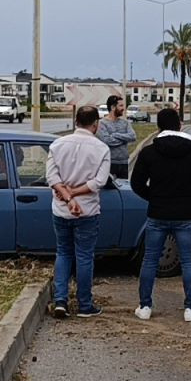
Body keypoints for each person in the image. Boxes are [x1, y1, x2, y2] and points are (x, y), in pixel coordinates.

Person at [130, 107, 191, 322]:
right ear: (179, 125)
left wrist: (154, 197)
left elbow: (136, 183)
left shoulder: (149, 152)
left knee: (149, 260)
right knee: (188, 260)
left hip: (157, 214)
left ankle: (145, 306)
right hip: (186, 216)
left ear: (158, 127)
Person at [45, 105, 112, 319]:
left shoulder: (57, 145)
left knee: (63, 253)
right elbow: (99, 182)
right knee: (84, 256)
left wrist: (67, 196)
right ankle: (85, 304)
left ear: (76, 122)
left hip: (61, 209)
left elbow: (52, 178)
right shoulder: (101, 149)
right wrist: (75, 193)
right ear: (95, 124)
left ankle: (61, 300)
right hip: (88, 211)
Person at [97, 95, 136, 180]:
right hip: (109, 163)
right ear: (113, 107)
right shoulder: (102, 123)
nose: (123, 108)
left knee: (123, 189)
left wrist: (115, 135)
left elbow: (133, 137)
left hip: (124, 163)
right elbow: (107, 140)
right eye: (121, 106)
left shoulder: (125, 122)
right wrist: (125, 140)